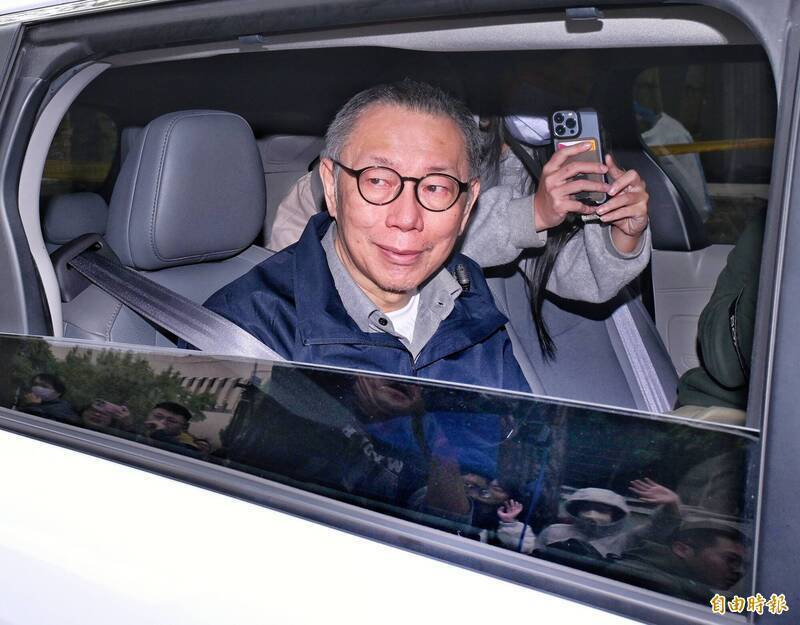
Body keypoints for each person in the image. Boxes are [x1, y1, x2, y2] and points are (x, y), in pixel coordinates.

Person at [201, 80, 648, 391]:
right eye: (378, 181)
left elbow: (518, 448)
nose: (407, 218)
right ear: (332, 188)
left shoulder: (468, 295)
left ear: (468, 205)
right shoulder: (240, 333)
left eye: (435, 187)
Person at [604, 517, 746, 603]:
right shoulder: (655, 583)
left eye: (743, 564)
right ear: (682, 550)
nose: (739, 571)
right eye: (731, 559)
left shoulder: (688, 581)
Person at [535, 480, 682, 559]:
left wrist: (672, 505)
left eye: (602, 510)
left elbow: (658, 528)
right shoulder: (554, 531)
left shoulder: (626, 541)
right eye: (586, 508)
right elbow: (535, 558)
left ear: (616, 515)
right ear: (575, 510)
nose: (591, 514)